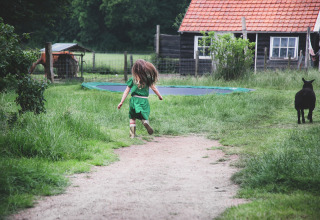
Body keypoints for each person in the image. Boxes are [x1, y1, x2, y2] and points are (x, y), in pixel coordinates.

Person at [118, 59, 163, 138]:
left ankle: (132, 135)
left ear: (134, 69)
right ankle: (145, 122)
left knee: (132, 118)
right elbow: (154, 88)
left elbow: (126, 91)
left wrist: (121, 101)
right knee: (143, 116)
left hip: (134, 100)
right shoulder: (147, 79)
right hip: (144, 100)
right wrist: (159, 96)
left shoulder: (132, 79)